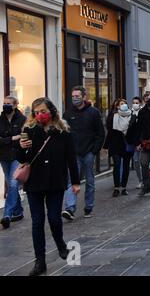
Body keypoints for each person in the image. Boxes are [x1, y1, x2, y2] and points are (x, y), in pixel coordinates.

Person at [17, 97, 80, 276]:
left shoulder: (63, 132)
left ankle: (60, 244)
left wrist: (75, 182)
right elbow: (21, 159)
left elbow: (71, 159)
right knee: (37, 222)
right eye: (36, 112)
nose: (40, 115)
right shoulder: (29, 129)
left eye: (43, 111)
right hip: (34, 183)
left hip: (55, 182)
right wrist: (21, 147)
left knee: (54, 218)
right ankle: (40, 261)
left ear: (51, 111)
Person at [62, 86, 105, 220]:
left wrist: (94, 151)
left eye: (77, 96)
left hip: (88, 152)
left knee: (90, 181)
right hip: (74, 153)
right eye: (73, 96)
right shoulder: (68, 114)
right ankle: (70, 208)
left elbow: (100, 134)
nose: (75, 98)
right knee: (71, 180)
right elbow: (64, 133)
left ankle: (88, 207)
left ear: (84, 97)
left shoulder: (93, 112)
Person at [0, 96, 27, 229]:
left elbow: (24, 137)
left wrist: (6, 139)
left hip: (17, 156)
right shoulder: (0, 119)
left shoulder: (22, 120)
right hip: (3, 157)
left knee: (12, 183)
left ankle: (7, 215)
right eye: (4, 103)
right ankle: (18, 211)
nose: (5, 105)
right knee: (12, 185)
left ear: (15, 105)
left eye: (8, 103)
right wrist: (12, 138)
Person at [105, 99, 133, 197]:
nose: (124, 105)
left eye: (125, 103)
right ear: (117, 106)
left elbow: (134, 128)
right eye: (121, 104)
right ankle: (116, 187)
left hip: (127, 144)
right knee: (116, 165)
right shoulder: (112, 116)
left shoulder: (131, 115)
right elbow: (109, 128)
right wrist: (107, 144)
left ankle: (124, 187)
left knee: (126, 166)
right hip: (115, 144)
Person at [129, 97, 144, 189]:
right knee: (136, 161)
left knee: (143, 162)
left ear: (140, 103)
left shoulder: (143, 113)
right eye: (133, 102)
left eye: (137, 102)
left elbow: (143, 129)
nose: (135, 104)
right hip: (133, 142)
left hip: (141, 142)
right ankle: (141, 180)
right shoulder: (130, 113)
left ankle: (144, 180)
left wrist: (140, 143)